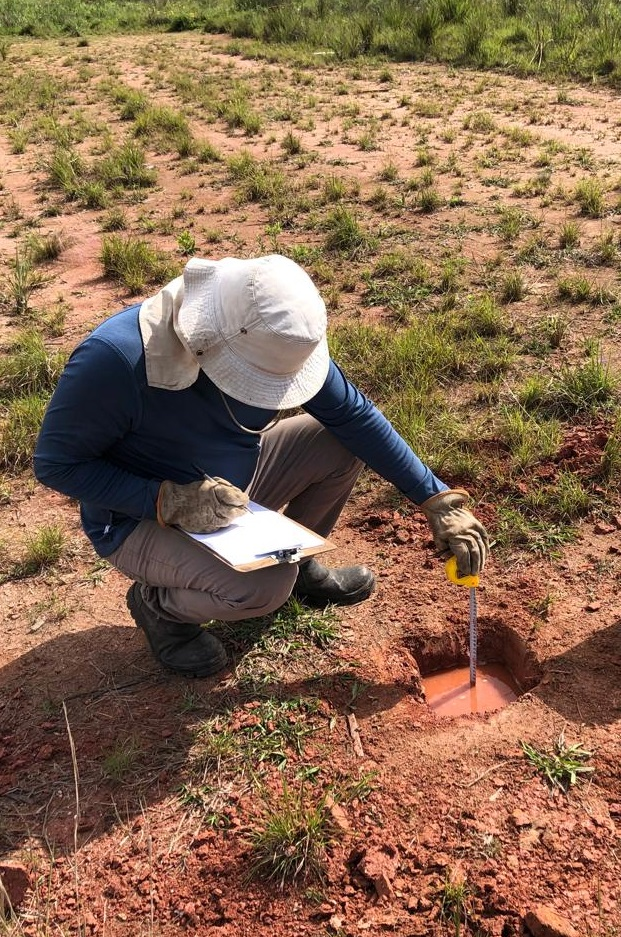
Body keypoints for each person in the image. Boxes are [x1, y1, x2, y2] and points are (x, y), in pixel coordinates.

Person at [34, 255, 489, 678]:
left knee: (337, 443)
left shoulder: (274, 331)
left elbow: (353, 417)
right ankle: (160, 608)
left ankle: (301, 564)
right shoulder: (116, 360)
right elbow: (57, 465)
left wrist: (436, 498)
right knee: (264, 587)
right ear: (213, 342)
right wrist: (165, 501)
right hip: (137, 521)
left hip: (232, 490)